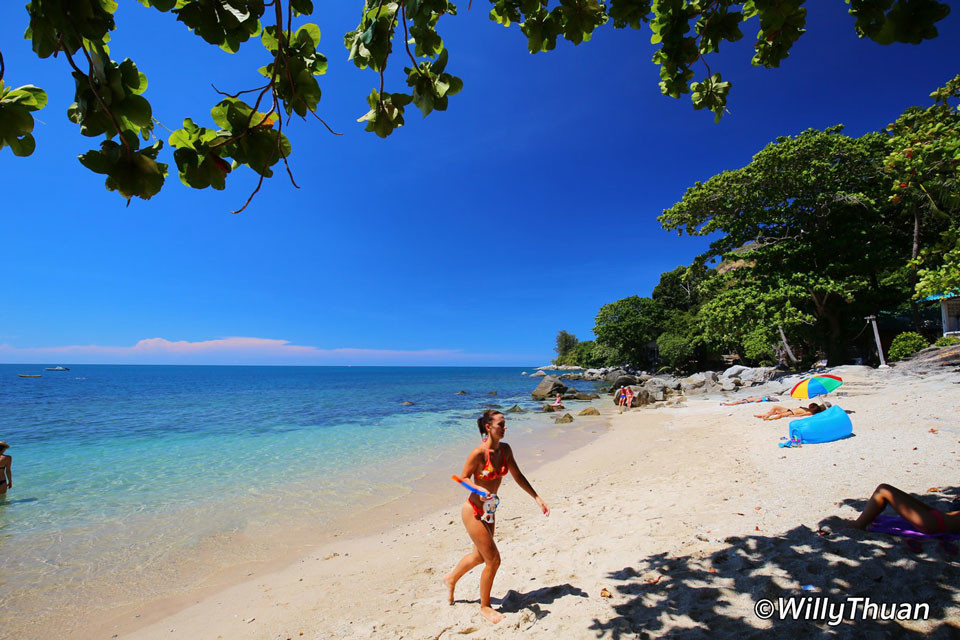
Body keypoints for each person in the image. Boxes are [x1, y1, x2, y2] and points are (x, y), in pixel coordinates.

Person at [444, 410, 549, 624]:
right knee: (493, 559)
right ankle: (485, 606)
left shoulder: (505, 450)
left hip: (490, 512)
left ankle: (450, 579)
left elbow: (518, 475)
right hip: (473, 511)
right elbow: (462, 478)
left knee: (479, 556)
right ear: (488, 427)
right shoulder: (478, 453)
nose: (505, 427)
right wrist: (479, 490)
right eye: (501, 424)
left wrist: (536, 497)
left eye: (505, 424)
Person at [846, 483, 960, 534]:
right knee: (885, 489)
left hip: (936, 523)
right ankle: (857, 524)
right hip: (939, 517)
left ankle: (858, 526)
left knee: (883, 490)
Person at [754, 403, 825, 421]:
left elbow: (801, 415)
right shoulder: (808, 409)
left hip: (792, 413)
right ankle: (764, 415)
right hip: (789, 409)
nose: (809, 405)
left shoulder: (810, 412)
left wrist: (791, 416)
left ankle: (768, 418)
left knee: (781, 415)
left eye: (811, 405)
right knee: (775, 407)